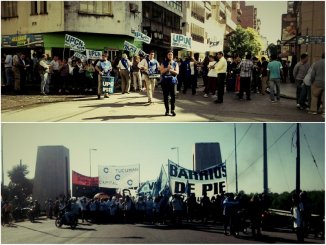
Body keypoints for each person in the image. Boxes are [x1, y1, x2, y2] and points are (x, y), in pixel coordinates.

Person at [160, 50, 179, 116]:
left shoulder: (175, 63)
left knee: (173, 96)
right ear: (167, 55)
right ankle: (167, 110)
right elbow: (161, 71)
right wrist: (167, 69)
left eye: (171, 54)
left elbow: (177, 72)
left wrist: (171, 70)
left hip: (172, 82)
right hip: (165, 82)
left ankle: (172, 110)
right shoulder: (163, 62)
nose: (170, 55)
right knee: (166, 97)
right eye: (169, 54)